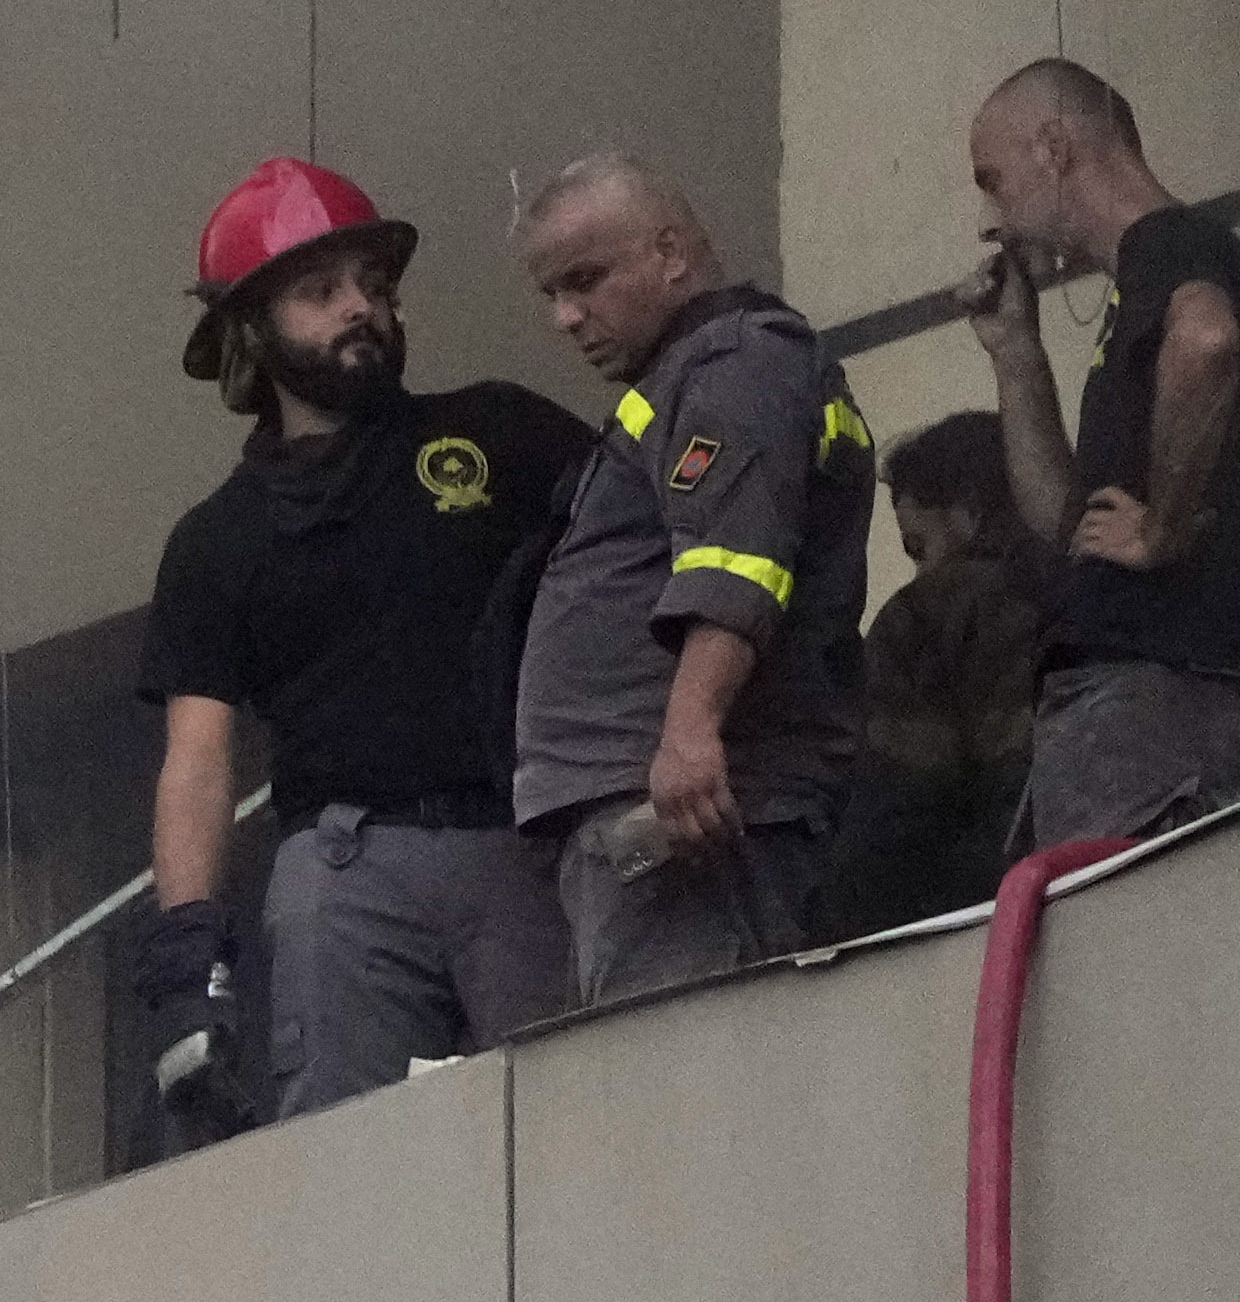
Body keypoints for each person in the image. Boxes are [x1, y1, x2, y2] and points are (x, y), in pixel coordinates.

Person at [128, 156, 583, 1119]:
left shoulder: (501, 433)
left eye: (374, 286)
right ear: (251, 328)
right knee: (347, 1159)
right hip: (345, 874)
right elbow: (199, 765)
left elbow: (642, 554)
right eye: (322, 290)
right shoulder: (217, 541)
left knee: (570, 1132)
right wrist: (187, 966)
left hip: (524, 843)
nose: (360, 308)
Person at [503, 155, 872, 1009]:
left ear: (669, 252)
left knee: (675, 1087)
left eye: (585, 281)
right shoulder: (696, 372)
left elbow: (736, 557)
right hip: (661, 813)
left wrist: (689, 733)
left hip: (688, 814)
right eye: (552, 294)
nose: (567, 317)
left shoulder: (735, 362)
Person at [971, 56, 1240, 853]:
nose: (991, 216)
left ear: (1054, 146)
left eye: (992, 178)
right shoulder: (1143, 286)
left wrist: (1161, 528)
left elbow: (1210, 338)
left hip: (1155, 696)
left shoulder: (1171, 246)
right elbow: (1069, 522)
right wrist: (1016, 353)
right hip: (1142, 698)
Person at [839, 415, 1059, 932]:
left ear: (966, 513)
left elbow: (896, 816)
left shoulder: (925, 617)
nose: (919, 572)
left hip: (974, 918)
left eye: (919, 547)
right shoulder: (1087, 594)